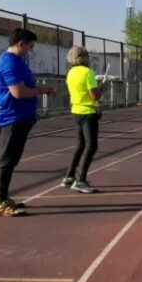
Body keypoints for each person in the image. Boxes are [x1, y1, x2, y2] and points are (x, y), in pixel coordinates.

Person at [0, 28, 55, 216]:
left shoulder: (17, 62)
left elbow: (26, 87)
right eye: (30, 46)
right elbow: (18, 92)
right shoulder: (10, 63)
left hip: (19, 117)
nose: (30, 50)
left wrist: (42, 88)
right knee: (7, 159)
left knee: (12, 159)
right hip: (12, 117)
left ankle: (3, 196)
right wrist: (40, 91)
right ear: (20, 43)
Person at [61, 46, 104, 193]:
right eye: (86, 56)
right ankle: (81, 179)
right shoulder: (88, 72)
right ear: (81, 57)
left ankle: (69, 176)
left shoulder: (70, 73)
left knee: (80, 145)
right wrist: (100, 89)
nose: (88, 59)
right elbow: (94, 95)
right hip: (88, 112)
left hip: (76, 111)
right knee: (91, 145)